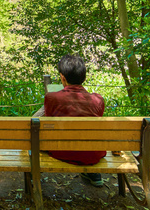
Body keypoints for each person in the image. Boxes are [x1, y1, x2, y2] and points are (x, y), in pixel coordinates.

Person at [33, 54, 106, 187]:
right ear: (83, 77)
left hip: (61, 151)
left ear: (62, 77)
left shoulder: (52, 98)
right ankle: (93, 174)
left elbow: (49, 124)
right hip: (92, 154)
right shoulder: (98, 99)